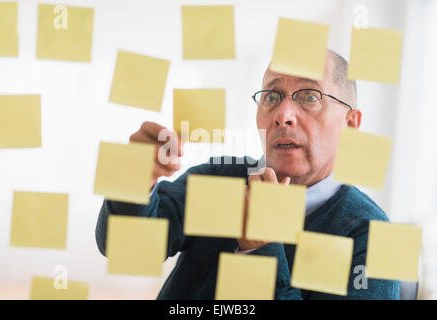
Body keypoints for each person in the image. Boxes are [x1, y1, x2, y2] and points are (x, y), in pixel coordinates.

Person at [95, 50, 400, 299]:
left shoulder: (373, 238)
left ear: (350, 124)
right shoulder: (219, 179)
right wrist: (134, 180)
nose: (283, 114)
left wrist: (259, 249)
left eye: (309, 96)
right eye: (272, 95)